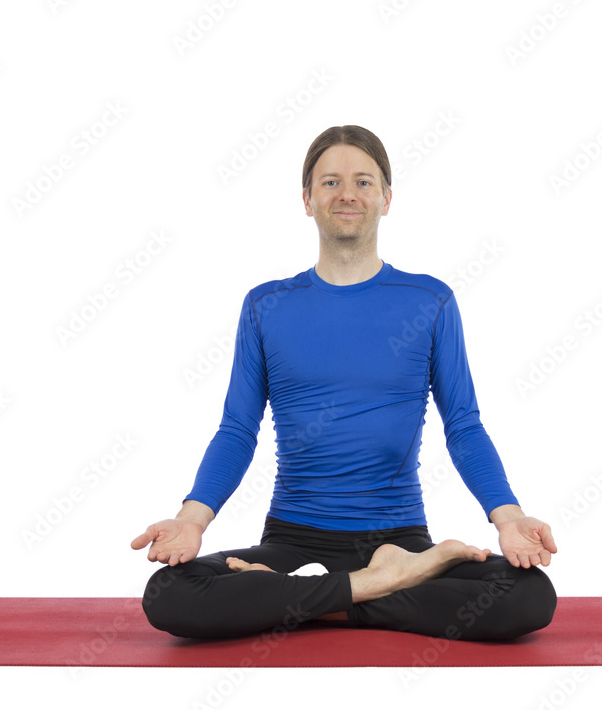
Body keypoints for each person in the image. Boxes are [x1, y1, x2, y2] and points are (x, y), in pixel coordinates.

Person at [131, 125, 558, 642]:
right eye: (330, 182)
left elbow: (464, 427)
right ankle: (379, 588)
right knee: (170, 594)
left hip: (398, 539)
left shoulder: (430, 301)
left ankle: (318, 598)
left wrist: (508, 518)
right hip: (293, 539)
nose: (348, 194)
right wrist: (192, 521)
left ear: (386, 198)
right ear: (307, 200)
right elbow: (237, 429)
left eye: (363, 181)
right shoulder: (267, 305)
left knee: (529, 597)